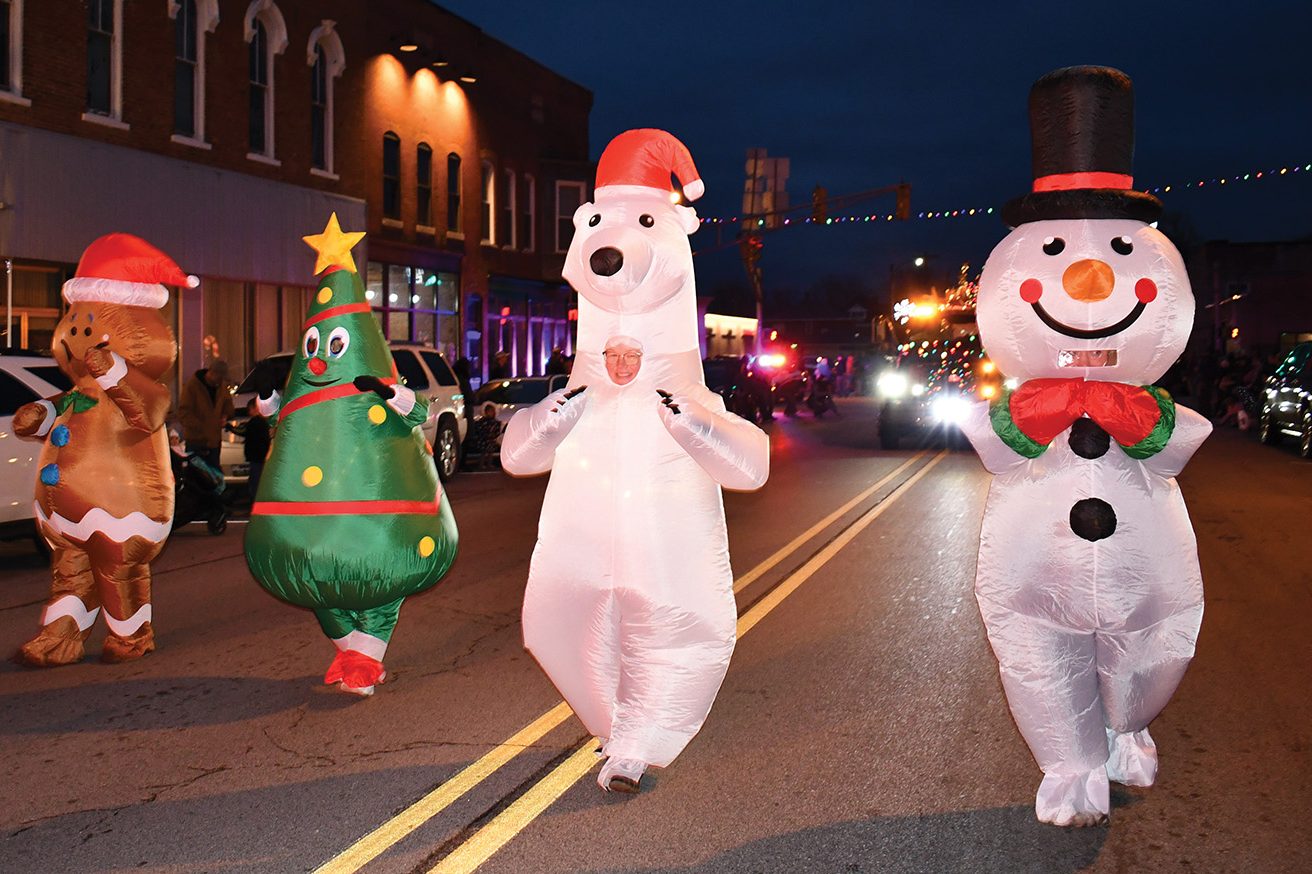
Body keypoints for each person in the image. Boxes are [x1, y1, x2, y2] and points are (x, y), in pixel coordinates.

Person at [178, 359, 234, 469]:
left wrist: (225, 415)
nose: (221, 381)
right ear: (212, 373)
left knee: (213, 479)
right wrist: (203, 427)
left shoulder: (221, 387)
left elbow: (228, 405)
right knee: (197, 478)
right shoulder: (192, 386)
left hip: (214, 443)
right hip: (196, 442)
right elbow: (184, 413)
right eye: (219, 378)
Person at [241, 397, 270, 502]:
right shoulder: (264, 422)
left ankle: (256, 502)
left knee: (255, 481)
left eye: (250, 409)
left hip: (256, 457)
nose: (249, 412)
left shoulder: (255, 422)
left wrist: (229, 427)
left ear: (255, 408)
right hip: (261, 456)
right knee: (259, 480)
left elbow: (244, 431)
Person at [467, 402, 505, 470]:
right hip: (485, 440)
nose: (490, 413)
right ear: (485, 412)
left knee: (490, 453)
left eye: (492, 411)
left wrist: (495, 435)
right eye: (489, 411)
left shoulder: (495, 422)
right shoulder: (483, 422)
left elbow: (497, 430)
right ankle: (481, 465)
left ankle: (489, 464)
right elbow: (480, 429)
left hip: (491, 440)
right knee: (484, 452)